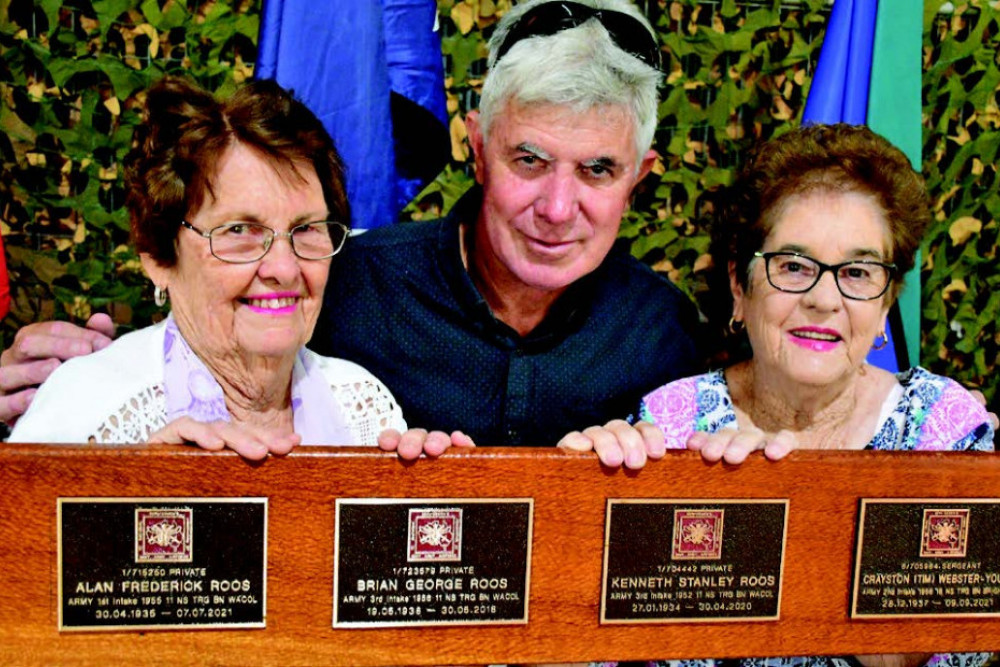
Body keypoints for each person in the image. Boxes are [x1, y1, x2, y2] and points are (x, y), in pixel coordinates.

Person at [0, 0, 704, 466]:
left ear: (639, 178)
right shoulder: (358, 281)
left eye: (598, 171)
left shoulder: (667, 332)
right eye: (529, 159)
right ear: (478, 149)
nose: (557, 206)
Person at [576, 124, 994, 667]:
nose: (825, 298)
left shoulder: (943, 432)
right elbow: (611, 646)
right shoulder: (671, 423)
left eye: (859, 272)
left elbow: (962, 648)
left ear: (887, 299)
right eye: (794, 266)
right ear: (739, 285)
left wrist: (792, 520)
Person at [7, 76, 471, 459]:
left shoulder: (361, 403)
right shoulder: (89, 410)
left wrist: (418, 498)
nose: (284, 268)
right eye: (239, 232)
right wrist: (136, 499)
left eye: (307, 228)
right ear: (157, 257)